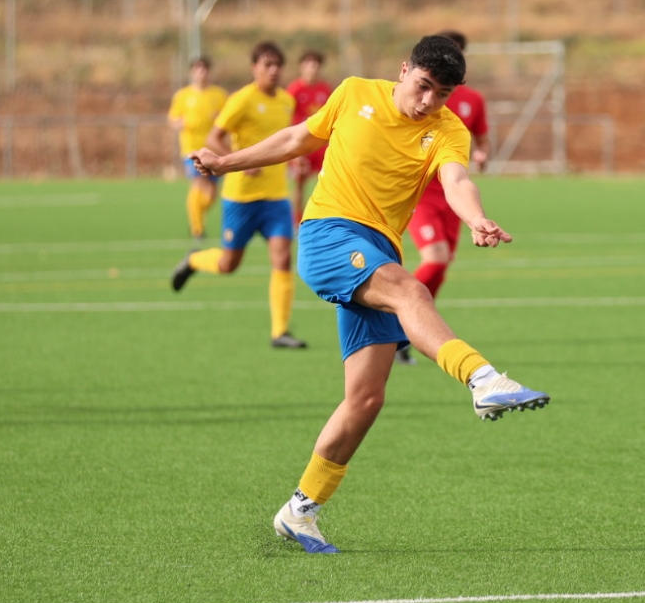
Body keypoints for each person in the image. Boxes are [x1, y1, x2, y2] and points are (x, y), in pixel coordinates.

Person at [191, 35, 549, 554]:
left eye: (442, 94)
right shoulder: (354, 92)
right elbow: (296, 139)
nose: (428, 101)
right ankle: (483, 378)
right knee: (411, 292)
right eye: (423, 86)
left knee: (365, 399)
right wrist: (225, 163)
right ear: (404, 70)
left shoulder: (449, 129)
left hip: (379, 250)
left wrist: (476, 218)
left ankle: (300, 511)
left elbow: (456, 181)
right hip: (328, 235)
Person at [172, 42, 305, 349]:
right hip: (241, 198)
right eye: (267, 65)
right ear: (254, 68)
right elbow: (213, 138)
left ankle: (280, 332)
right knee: (228, 264)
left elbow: (287, 142)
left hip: (275, 196)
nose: (273, 70)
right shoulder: (241, 100)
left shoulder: (286, 101)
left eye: (278, 65)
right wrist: (238, 161)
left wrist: (295, 160)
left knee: (283, 257)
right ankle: (194, 260)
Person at [398, 31, 491, 364]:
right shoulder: (416, 93)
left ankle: (414, 327)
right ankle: (399, 315)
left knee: (442, 265)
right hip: (423, 191)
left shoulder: (471, 101)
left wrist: (481, 154)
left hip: (453, 197)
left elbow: (482, 138)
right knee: (435, 258)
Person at [167, 57, 227, 241]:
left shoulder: (219, 95)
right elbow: (173, 120)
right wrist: (181, 123)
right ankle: (197, 229)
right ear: (192, 73)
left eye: (204, 69)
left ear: (209, 72)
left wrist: (219, 119)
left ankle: (196, 215)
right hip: (191, 149)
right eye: (197, 69)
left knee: (211, 194)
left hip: (213, 149)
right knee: (198, 184)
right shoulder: (183, 95)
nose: (201, 73)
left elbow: (227, 120)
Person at [287, 50, 332, 223]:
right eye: (308, 65)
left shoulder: (325, 89)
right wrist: (293, 149)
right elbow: (287, 117)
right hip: (302, 144)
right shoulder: (295, 90)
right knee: (299, 183)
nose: (312, 69)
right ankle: (297, 220)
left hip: (320, 145)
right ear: (302, 67)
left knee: (328, 181)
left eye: (315, 65)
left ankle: (324, 217)